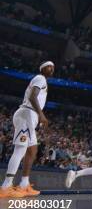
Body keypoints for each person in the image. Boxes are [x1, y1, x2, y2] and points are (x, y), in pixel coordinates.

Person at [0, 61, 53, 198]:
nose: (51, 68)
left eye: (53, 67)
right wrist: (41, 114)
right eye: (48, 66)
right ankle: (6, 186)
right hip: (27, 114)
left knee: (32, 150)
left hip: (30, 116)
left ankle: (24, 184)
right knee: (20, 150)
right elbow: (32, 96)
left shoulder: (43, 81)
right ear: (42, 69)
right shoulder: (40, 78)